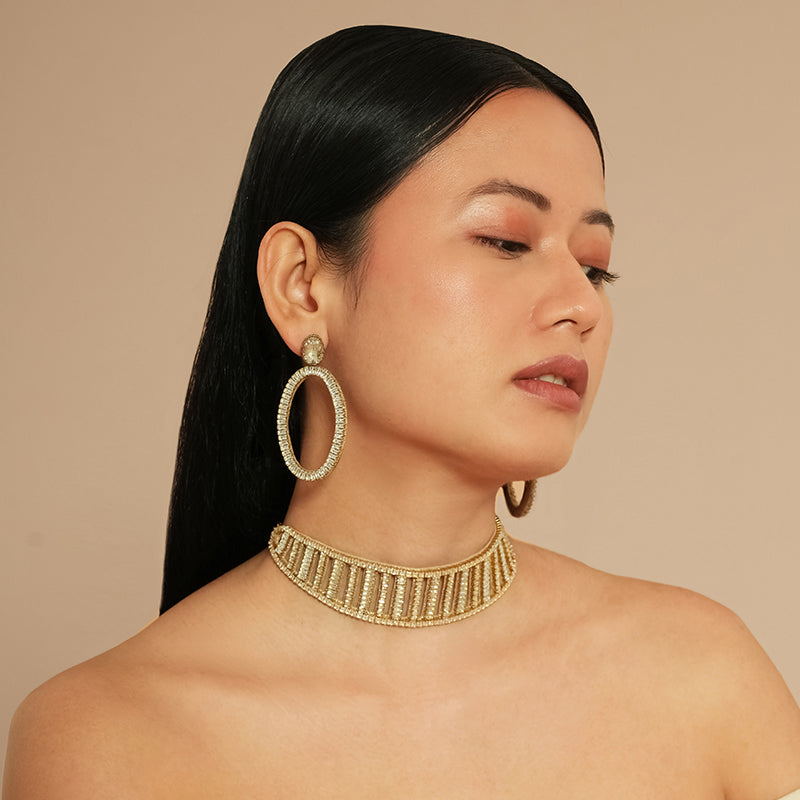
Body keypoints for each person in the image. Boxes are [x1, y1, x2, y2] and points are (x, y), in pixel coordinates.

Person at [4, 25, 800, 799]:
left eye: (595, 267)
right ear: (301, 285)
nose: (581, 306)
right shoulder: (109, 738)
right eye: (505, 240)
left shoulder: (700, 676)